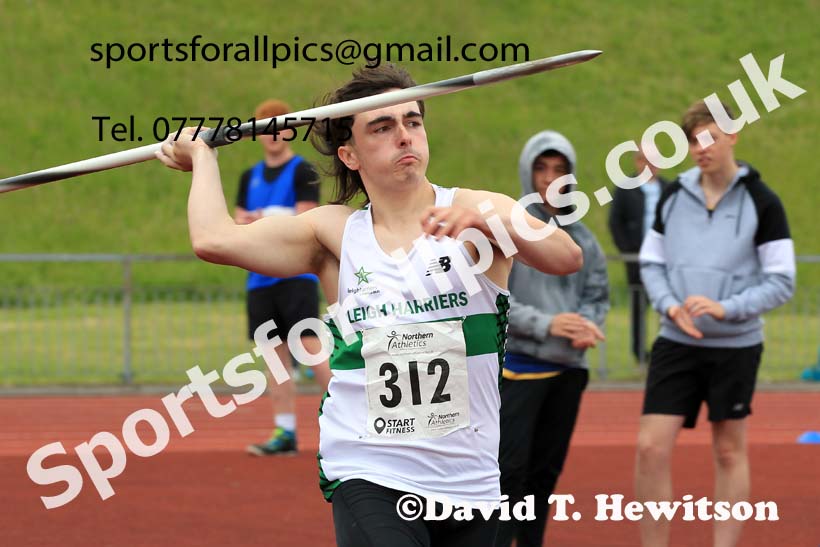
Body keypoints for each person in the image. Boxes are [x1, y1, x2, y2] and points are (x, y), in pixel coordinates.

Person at [155, 63, 583, 547]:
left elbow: (566, 257)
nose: (404, 136)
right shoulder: (334, 233)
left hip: (471, 480)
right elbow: (213, 239)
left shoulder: (480, 207)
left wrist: (490, 227)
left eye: (412, 121)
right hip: (370, 468)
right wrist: (202, 156)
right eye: (382, 126)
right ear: (350, 154)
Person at [635, 100, 795, 547]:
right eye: (692, 140)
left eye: (709, 137)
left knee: (728, 450)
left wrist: (729, 307)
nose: (700, 148)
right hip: (676, 340)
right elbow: (651, 263)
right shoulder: (673, 195)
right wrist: (669, 306)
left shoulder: (764, 202)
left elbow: (782, 281)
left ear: (733, 135)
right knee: (650, 447)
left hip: (737, 346)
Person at [494, 130, 609, 547]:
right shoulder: (508, 234)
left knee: (545, 475)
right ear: (528, 173)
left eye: (560, 170)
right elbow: (497, 303)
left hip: (569, 371)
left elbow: (597, 294)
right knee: (509, 473)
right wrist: (548, 324)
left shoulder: (585, 239)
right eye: (541, 168)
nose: (550, 178)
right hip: (520, 369)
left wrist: (586, 324)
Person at [235, 98, 331, 456]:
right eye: (266, 127)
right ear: (257, 133)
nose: (273, 133)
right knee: (274, 360)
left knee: (310, 349)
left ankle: (351, 422)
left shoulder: (302, 170)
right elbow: (239, 222)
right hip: (259, 278)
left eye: (279, 125)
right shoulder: (249, 176)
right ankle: (286, 432)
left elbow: (304, 220)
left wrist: (264, 218)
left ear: (290, 130)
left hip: (294, 275)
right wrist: (264, 219)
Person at [608, 147, 668, 365]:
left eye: (654, 160)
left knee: (666, 307)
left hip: (665, 262)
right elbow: (616, 223)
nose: (649, 165)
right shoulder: (625, 188)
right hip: (638, 261)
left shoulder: (669, 189)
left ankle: (664, 350)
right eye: (645, 160)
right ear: (637, 161)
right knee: (639, 308)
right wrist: (629, 252)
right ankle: (639, 353)